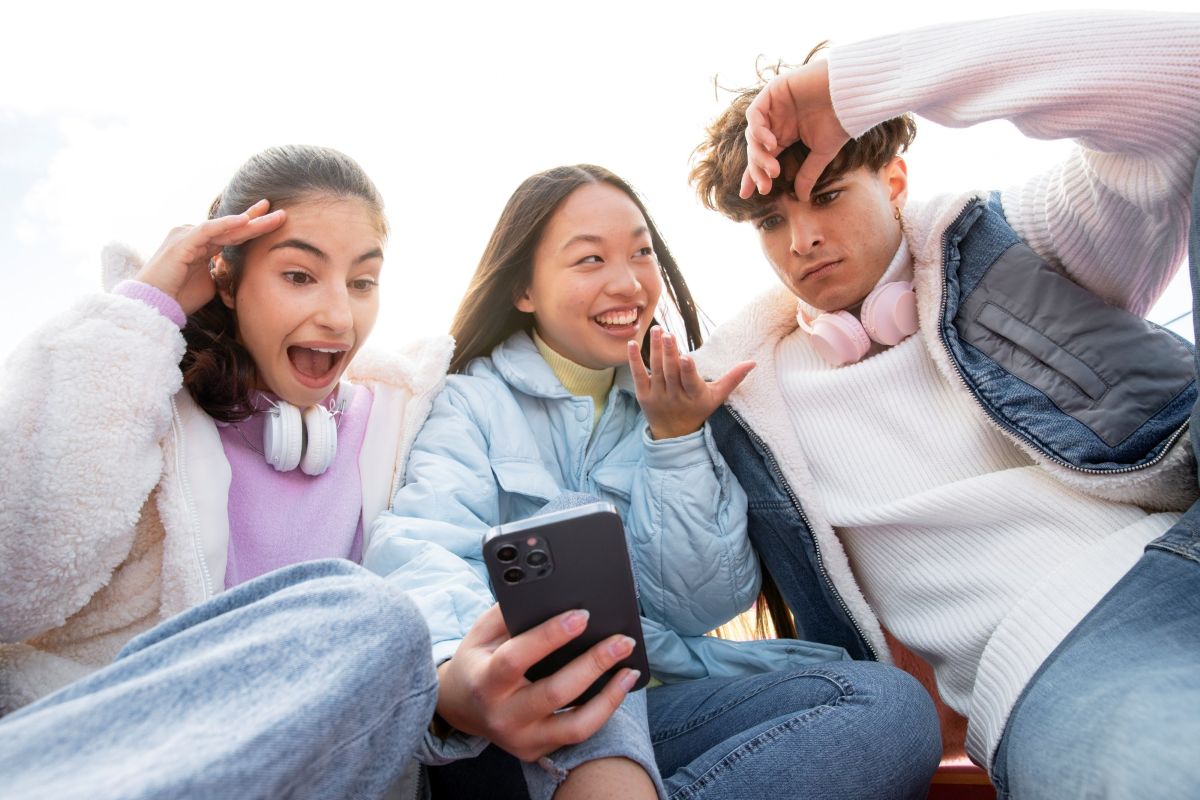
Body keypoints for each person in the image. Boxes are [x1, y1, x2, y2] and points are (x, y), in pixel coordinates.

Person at [0, 145, 635, 799]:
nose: (339, 315)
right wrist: (144, 309)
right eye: (300, 276)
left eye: (362, 282)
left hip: (335, 777)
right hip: (120, 757)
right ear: (225, 277)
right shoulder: (137, 406)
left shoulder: (407, 416)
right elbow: (15, 587)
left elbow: (440, 575)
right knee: (374, 615)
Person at [689, 11, 1200, 798]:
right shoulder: (745, 396)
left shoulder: (1011, 242)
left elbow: (1184, 88)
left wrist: (853, 88)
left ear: (894, 181)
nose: (802, 240)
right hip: (1064, 652)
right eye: (772, 220)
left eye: (827, 194)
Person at [364, 164, 941, 799]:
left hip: (659, 709)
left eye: (641, 251)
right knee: (573, 571)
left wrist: (675, 442)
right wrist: (464, 673)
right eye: (589, 259)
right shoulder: (469, 403)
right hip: (516, 723)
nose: (628, 281)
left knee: (890, 707)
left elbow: (704, 604)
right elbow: (423, 549)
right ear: (523, 290)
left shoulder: (670, 407)